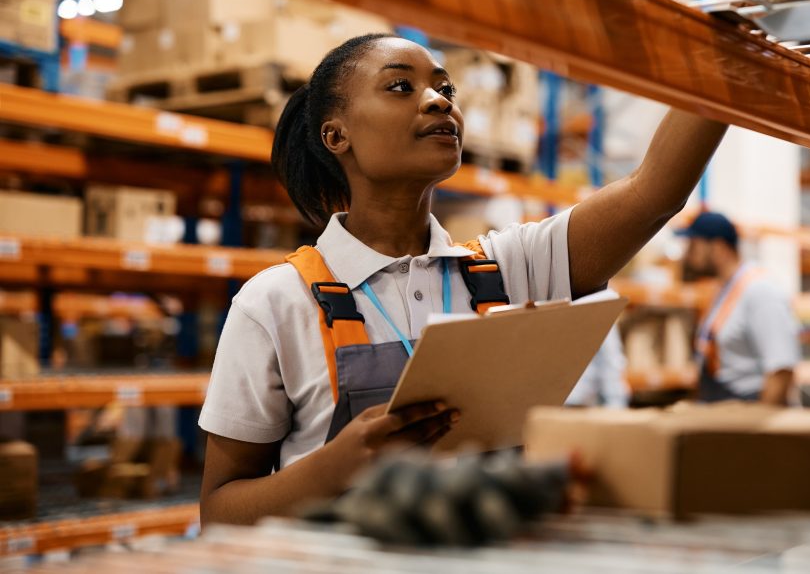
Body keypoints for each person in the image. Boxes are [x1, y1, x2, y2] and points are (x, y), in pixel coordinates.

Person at [198, 33, 726, 525]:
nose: (438, 100)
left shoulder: (511, 268)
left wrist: (725, 58)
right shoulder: (274, 304)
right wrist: (328, 472)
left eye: (445, 87)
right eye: (401, 86)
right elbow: (219, 509)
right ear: (336, 135)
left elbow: (654, 191)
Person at [682, 211, 800, 405]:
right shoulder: (723, 292)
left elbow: (781, 370)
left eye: (694, 246)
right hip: (725, 409)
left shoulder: (760, 292)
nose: (687, 255)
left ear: (718, 248)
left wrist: (758, 430)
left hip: (749, 411)